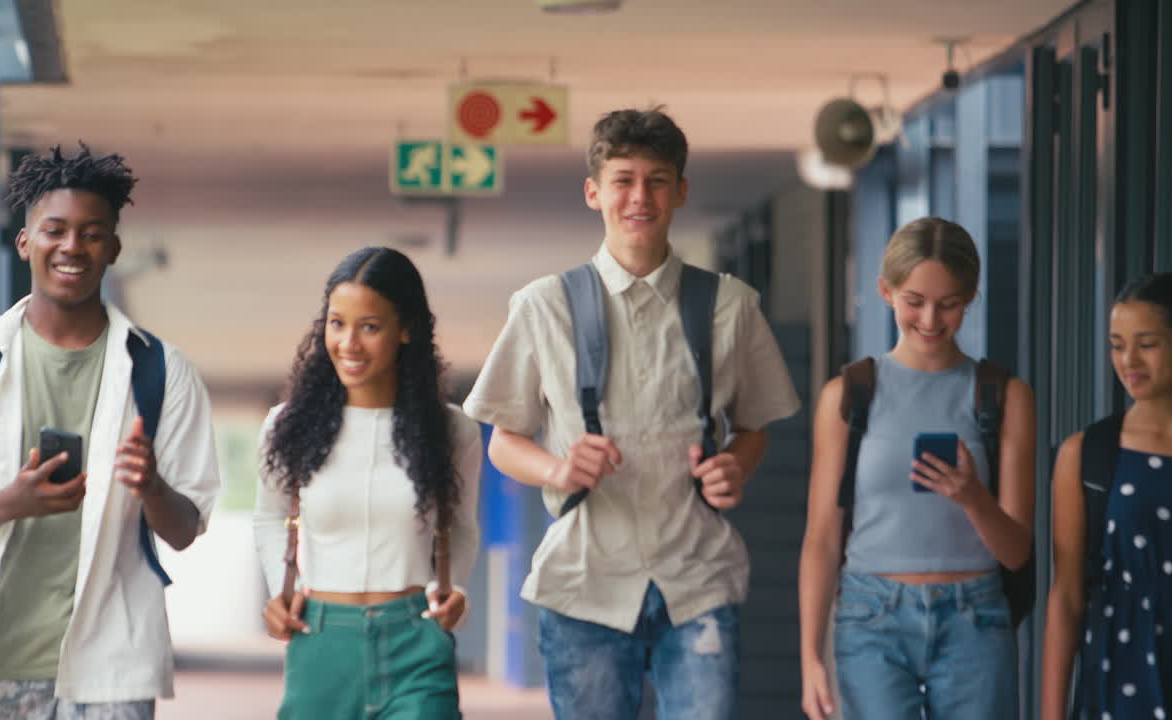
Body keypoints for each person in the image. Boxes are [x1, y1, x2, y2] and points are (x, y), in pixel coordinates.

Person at [462, 106, 800, 720]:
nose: (640, 196)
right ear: (594, 192)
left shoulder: (731, 306)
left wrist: (735, 466)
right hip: (583, 582)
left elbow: (755, 428)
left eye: (657, 180)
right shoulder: (543, 306)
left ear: (681, 191)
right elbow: (503, 441)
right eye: (623, 180)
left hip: (697, 576)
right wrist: (559, 469)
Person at [0, 144, 222, 718]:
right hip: (4, 656)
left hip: (114, 659)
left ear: (113, 248)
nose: (72, 246)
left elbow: (183, 529)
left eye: (92, 233)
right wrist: (13, 501)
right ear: (26, 242)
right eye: (55, 230)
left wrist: (150, 486)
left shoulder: (161, 370)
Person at [797, 216, 1035, 720]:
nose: (930, 319)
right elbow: (822, 537)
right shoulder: (848, 395)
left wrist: (974, 498)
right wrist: (810, 658)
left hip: (976, 616)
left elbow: (1016, 551)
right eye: (915, 301)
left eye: (948, 304)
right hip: (870, 615)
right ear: (885, 291)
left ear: (970, 298)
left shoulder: (1004, 397)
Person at [254, 246, 481, 720]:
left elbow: (460, 525)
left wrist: (455, 585)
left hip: (416, 640)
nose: (348, 343)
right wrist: (283, 587)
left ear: (406, 329)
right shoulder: (287, 426)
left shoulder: (451, 430)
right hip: (320, 642)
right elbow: (271, 516)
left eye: (370, 327)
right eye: (337, 324)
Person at [1042, 272, 1172, 720]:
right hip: (1119, 679)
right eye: (1117, 345)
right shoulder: (1087, 453)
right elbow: (1066, 596)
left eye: (1147, 344)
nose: (1128, 360)